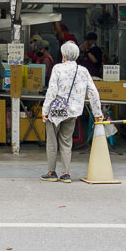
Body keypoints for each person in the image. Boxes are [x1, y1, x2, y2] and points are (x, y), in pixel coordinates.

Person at [41, 41, 103, 183]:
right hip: (73, 111)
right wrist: (97, 112)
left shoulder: (58, 68)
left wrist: (45, 109)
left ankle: (51, 172)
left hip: (56, 111)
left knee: (52, 142)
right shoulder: (83, 71)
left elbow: (52, 91)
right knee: (66, 142)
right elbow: (93, 92)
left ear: (63, 55)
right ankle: (66, 174)